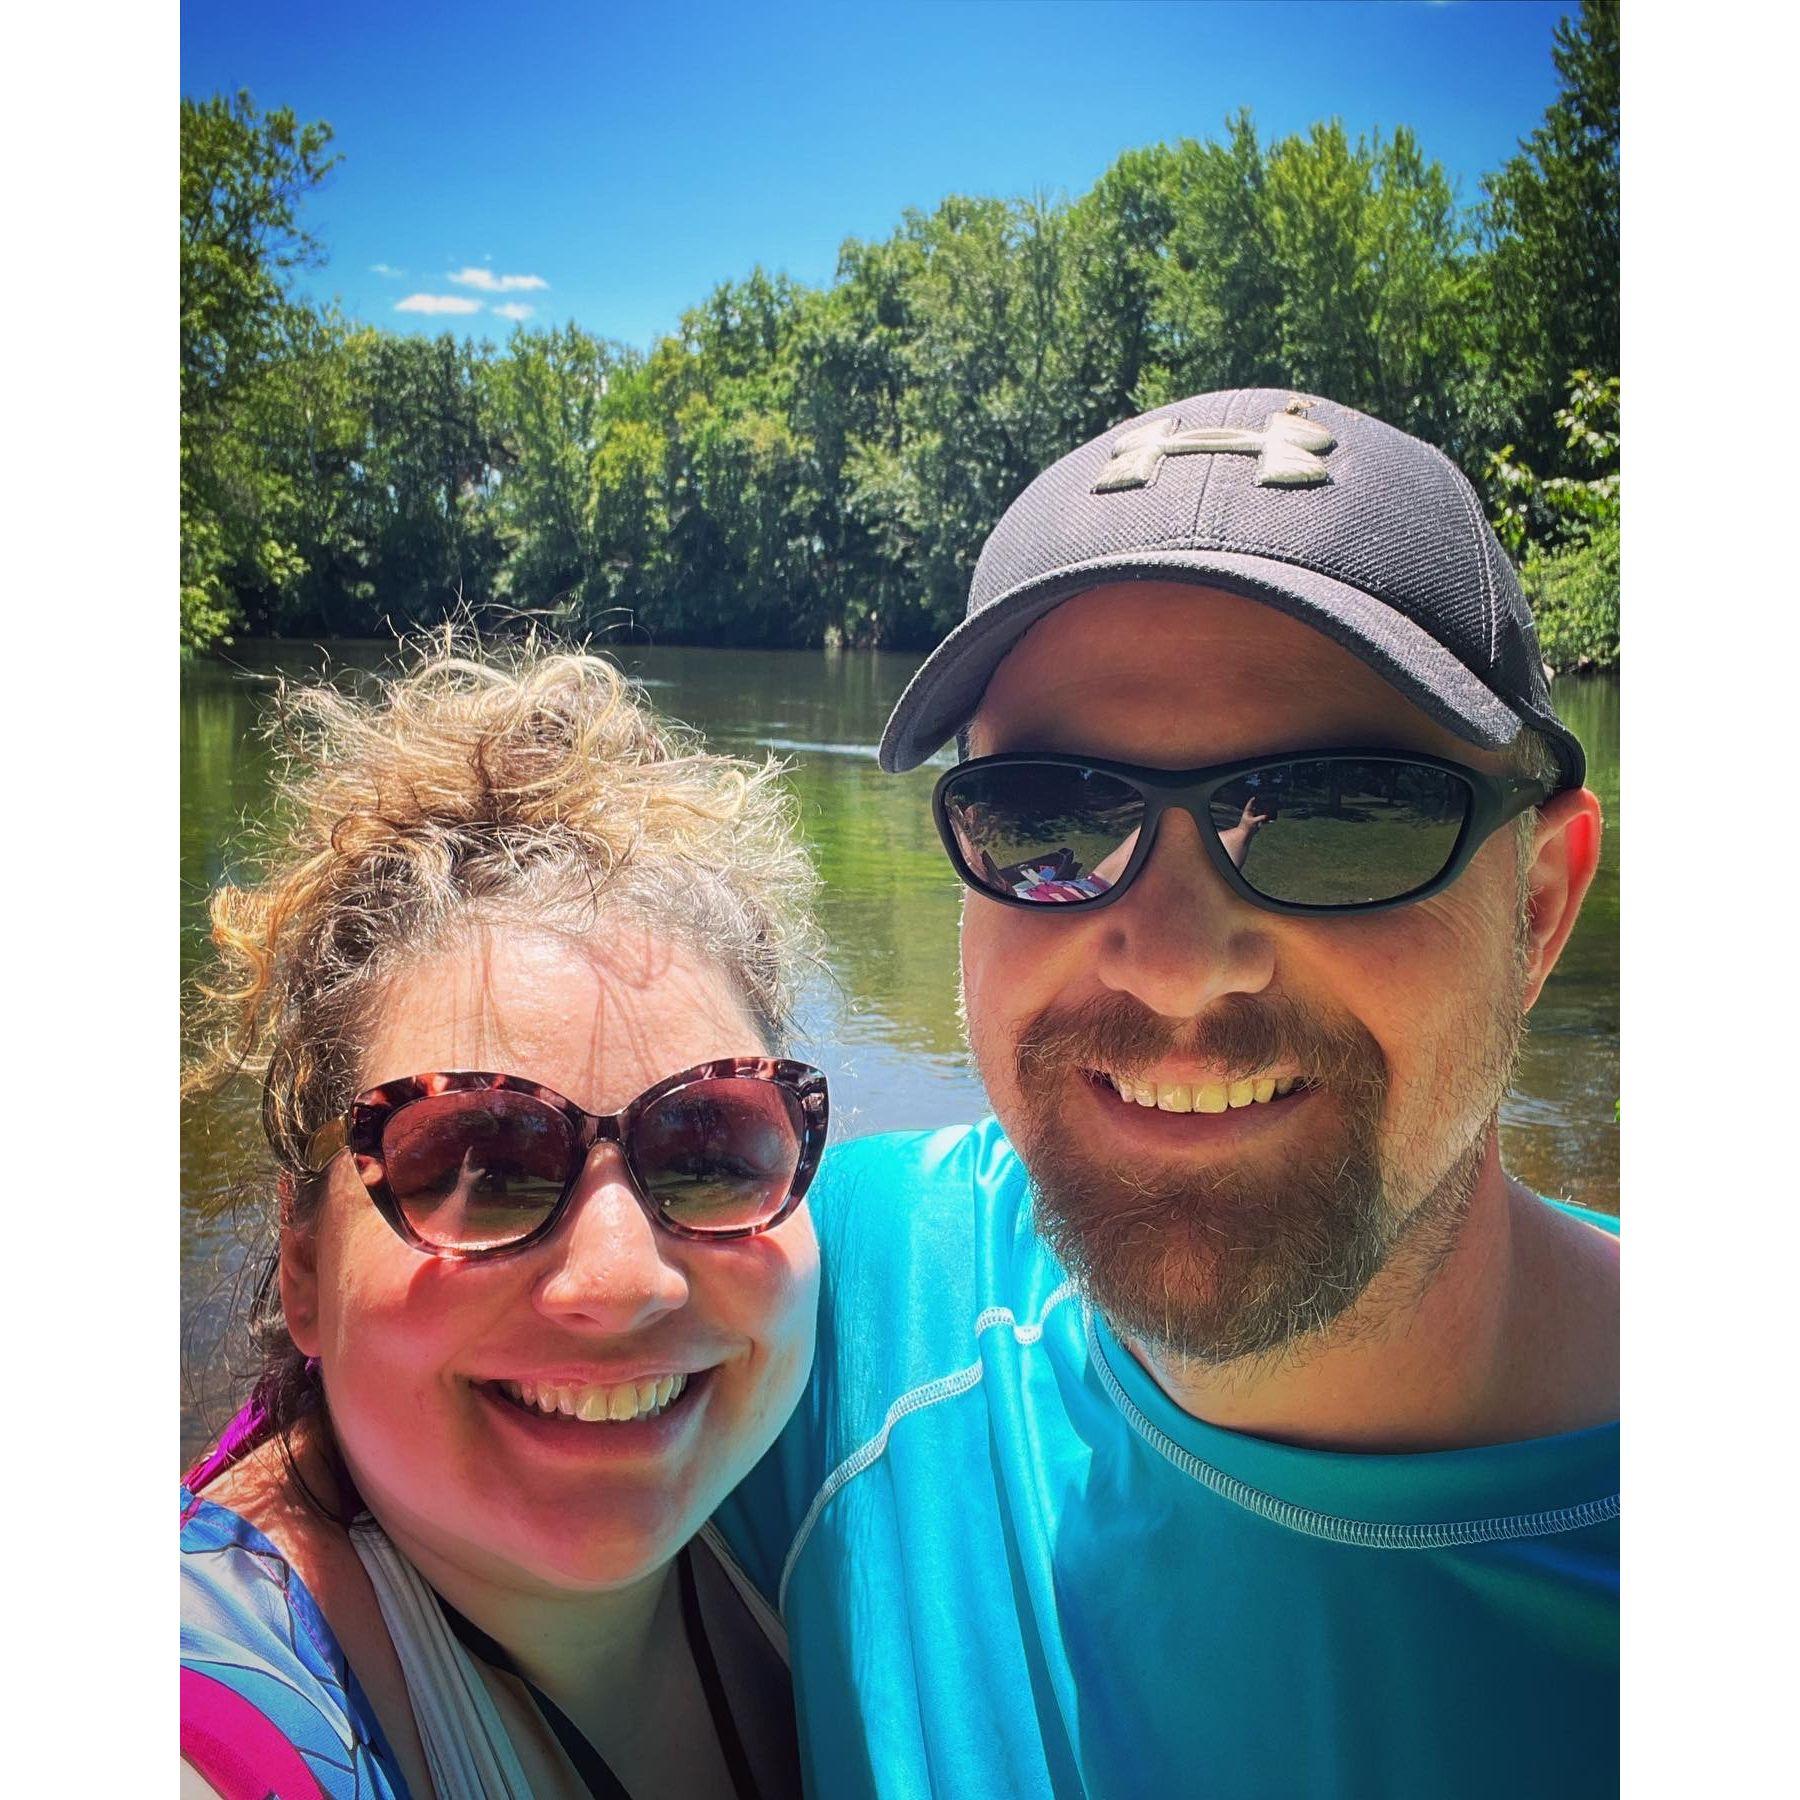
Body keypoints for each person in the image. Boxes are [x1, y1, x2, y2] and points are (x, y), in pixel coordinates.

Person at [716, 389, 1619, 1798]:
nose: (1182, 968)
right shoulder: (815, 1297)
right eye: (1053, 820)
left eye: (1335, 815)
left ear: (1543, 907)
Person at [181, 645, 827, 1799]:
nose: (625, 1279)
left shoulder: (830, 1449)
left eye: (710, 1150)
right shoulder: (212, 1684)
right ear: (305, 1268)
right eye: (481, 1164)